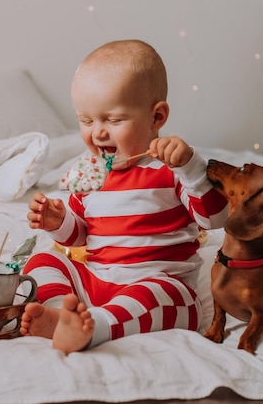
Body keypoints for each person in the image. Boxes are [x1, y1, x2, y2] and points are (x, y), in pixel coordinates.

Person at [20, 39, 229, 354]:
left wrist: (193, 168)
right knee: (43, 260)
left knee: (167, 298)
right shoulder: (88, 174)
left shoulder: (172, 169)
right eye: (87, 121)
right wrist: (59, 222)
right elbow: (80, 236)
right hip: (97, 281)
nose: (98, 132)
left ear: (156, 118)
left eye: (113, 120)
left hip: (157, 284)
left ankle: (94, 328)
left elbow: (215, 219)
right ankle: (58, 314)